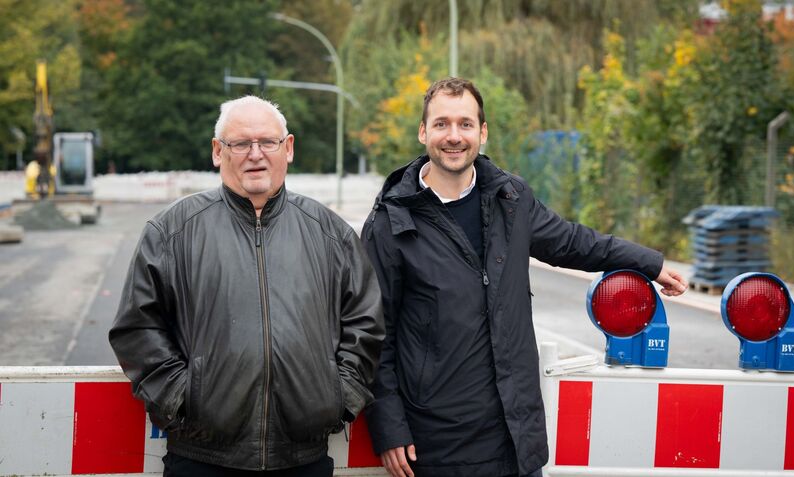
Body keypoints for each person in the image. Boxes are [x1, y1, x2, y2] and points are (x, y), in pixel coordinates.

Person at [361, 78, 687, 477]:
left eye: (465, 124)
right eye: (442, 124)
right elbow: (376, 335)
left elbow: (572, 241)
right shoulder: (390, 223)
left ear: (482, 132)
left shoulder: (510, 199)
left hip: (516, 436)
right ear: (423, 132)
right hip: (439, 443)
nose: (454, 136)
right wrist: (389, 428)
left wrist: (647, 263)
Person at [109, 95, 384, 477]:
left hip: (303, 460)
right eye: (240, 144)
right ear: (218, 152)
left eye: (267, 142)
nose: (256, 154)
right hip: (202, 458)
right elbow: (137, 329)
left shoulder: (330, 234)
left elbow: (365, 324)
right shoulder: (171, 232)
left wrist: (338, 398)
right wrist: (183, 400)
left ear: (287, 148)